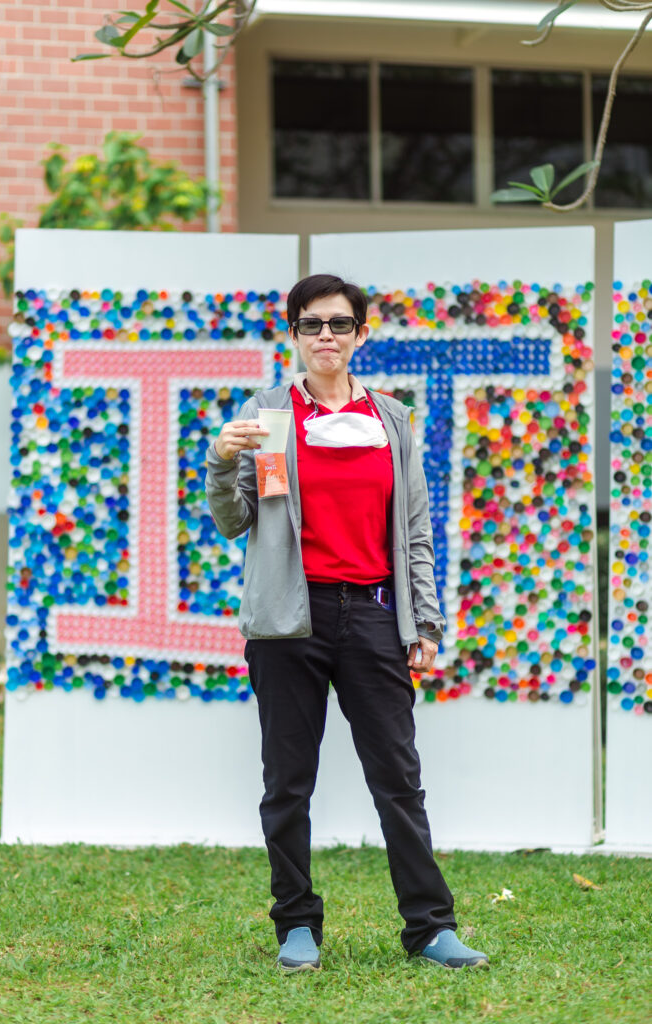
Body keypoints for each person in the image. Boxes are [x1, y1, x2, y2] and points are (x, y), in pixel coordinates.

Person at [206, 274, 489, 972]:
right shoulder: (269, 415)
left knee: (398, 779)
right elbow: (237, 520)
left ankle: (430, 927)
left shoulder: (391, 418)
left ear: (361, 333)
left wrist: (424, 622)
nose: (324, 336)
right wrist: (220, 462)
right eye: (311, 324)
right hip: (288, 621)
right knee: (287, 783)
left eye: (338, 324)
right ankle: (296, 925)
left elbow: (414, 529)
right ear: (295, 335)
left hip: (373, 616)